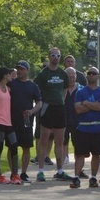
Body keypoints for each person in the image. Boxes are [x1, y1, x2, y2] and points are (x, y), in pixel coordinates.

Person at [34, 47, 69, 181]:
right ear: (49, 57)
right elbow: (37, 91)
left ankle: (60, 170)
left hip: (59, 108)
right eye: (53, 55)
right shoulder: (43, 74)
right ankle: (41, 170)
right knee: (44, 139)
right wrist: (42, 103)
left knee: (59, 141)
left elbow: (65, 90)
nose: (55, 57)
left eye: (58, 55)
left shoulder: (63, 73)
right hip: (47, 108)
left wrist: (61, 101)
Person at [70, 66, 100, 189]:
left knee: (96, 154)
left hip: (98, 128)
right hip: (83, 128)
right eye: (89, 73)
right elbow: (77, 109)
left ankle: (93, 177)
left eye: (93, 73)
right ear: (86, 76)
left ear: (98, 76)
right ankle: (76, 177)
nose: (91, 75)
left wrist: (86, 103)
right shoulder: (80, 92)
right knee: (80, 154)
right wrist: (93, 105)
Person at [7, 60, 41, 182]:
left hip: (26, 120)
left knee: (26, 147)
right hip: (11, 120)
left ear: (27, 70)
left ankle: (24, 173)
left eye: (22, 69)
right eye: (18, 69)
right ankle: (13, 173)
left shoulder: (33, 86)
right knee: (12, 147)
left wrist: (32, 111)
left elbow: (39, 103)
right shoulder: (11, 83)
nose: (19, 71)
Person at [0, 66, 19, 184]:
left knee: (14, 146)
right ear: (4, 75)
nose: (11, 75)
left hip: (8, 121)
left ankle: (15, 174)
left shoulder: (8, 89)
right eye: (9, 74)